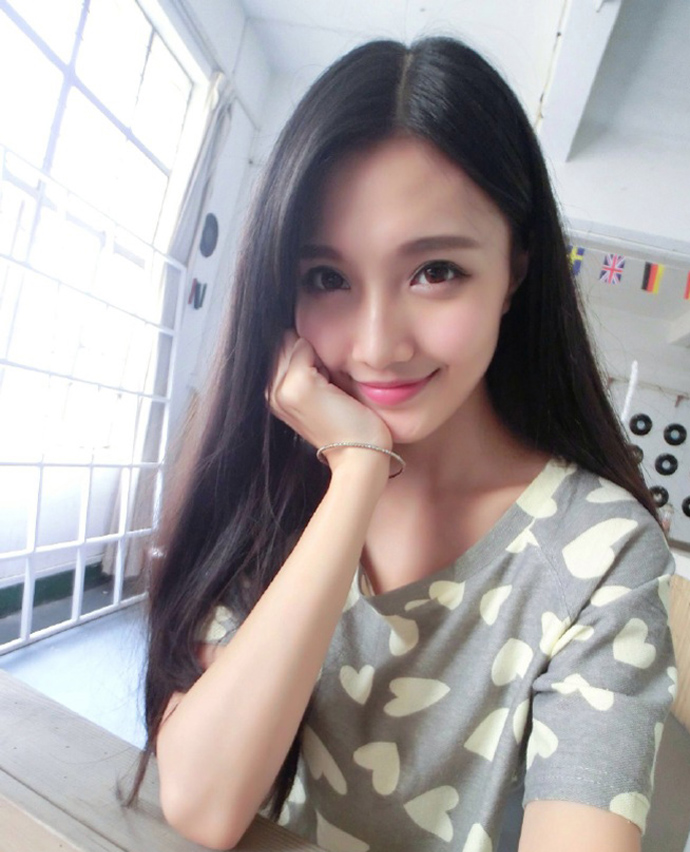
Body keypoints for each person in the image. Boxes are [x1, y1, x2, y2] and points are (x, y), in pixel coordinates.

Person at [133, 37, 676, 852]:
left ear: (517, 268)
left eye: (435, 271)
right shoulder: (277, 483)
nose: (377, 346)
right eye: (327, 278)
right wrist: (356, 472)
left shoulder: (601, 552)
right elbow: (202, 804)